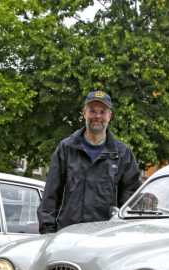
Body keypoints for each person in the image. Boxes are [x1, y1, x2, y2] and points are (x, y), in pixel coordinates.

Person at [37, 90, 140, 233]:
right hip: (68, 235)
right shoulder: (66, 148)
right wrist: (48, 232)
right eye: (92, 111)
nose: (97, 116)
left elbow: (131, 200)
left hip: (105, 238)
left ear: (110, 116)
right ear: (84, 113)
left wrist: (124, 233)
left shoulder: (122, 154)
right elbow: (50, 195)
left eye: (102, 112)